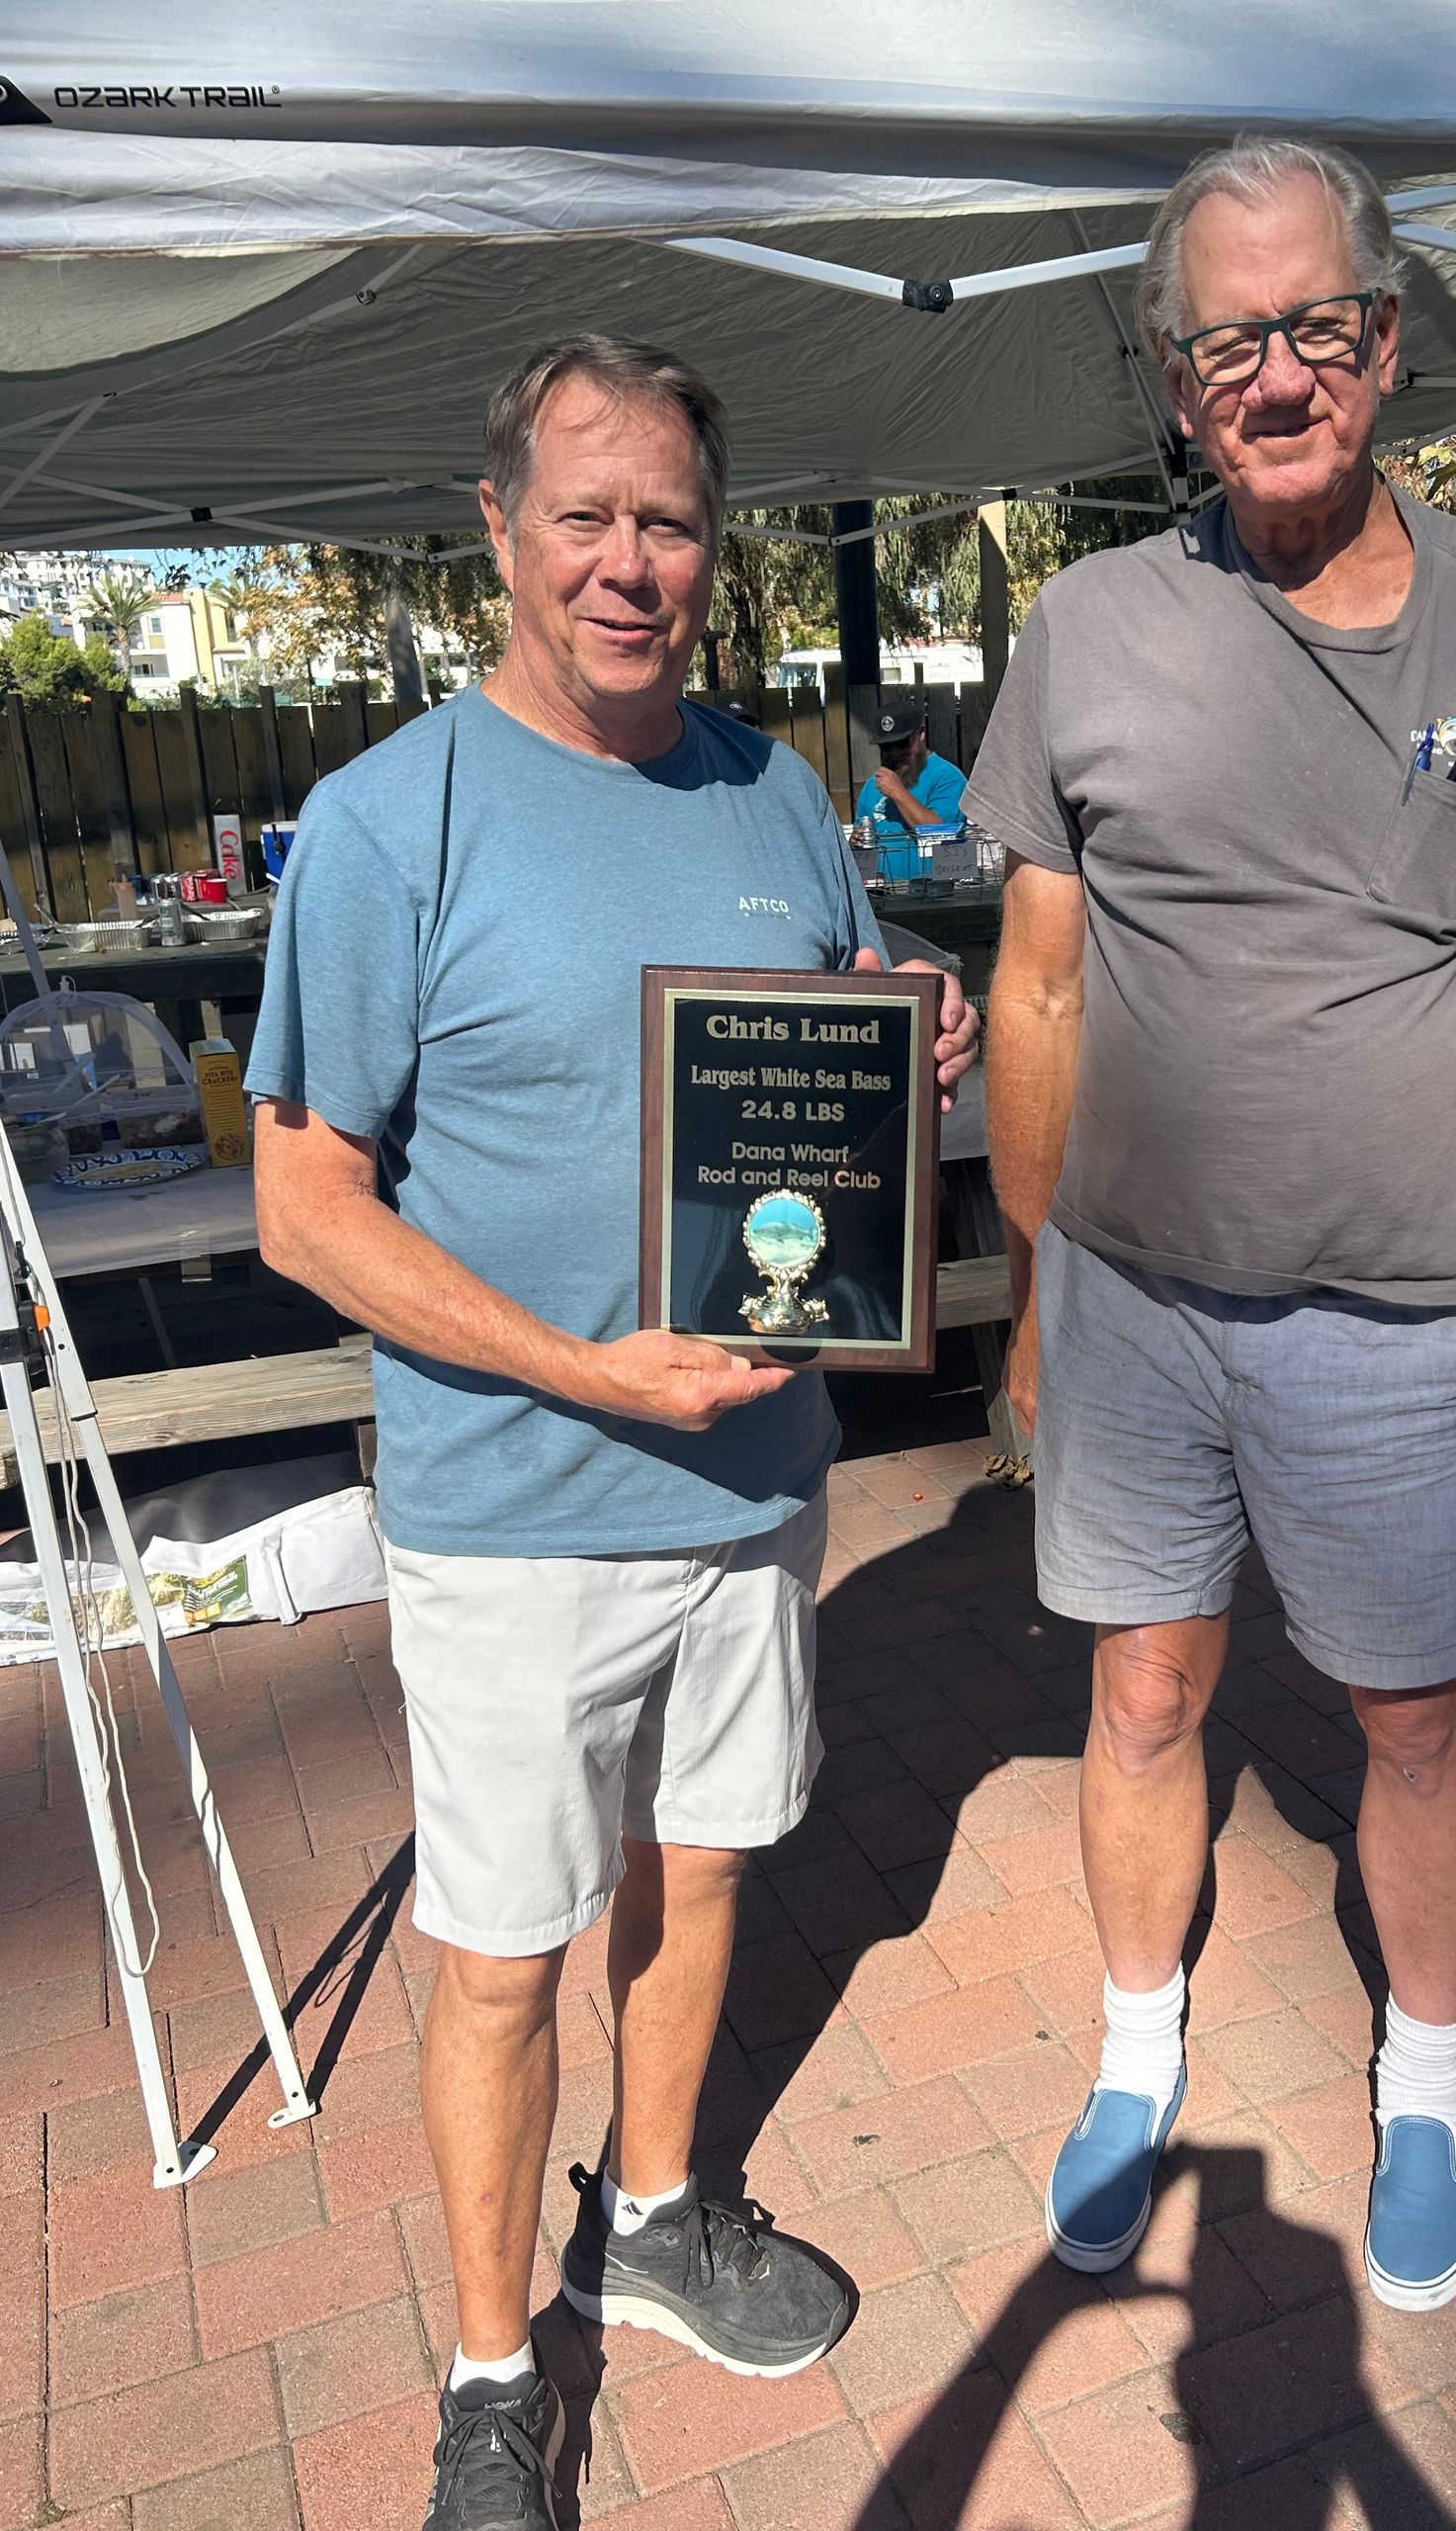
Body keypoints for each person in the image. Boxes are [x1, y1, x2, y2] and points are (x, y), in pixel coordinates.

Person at [247, 334, 978, 2531]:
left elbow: (831, 1068)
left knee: (706, 1859)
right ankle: (491, 2367)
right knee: (501, 1951)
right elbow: (304, 1203)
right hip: (514, 1508)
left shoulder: (772, 790)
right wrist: (586, 1368)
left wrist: (910, 1032)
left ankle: (651, 2215)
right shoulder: (391, 822)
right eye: (586, 515)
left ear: (709, 541)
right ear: (502, 531)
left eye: (669, 517)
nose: (629, 561)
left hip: (753, 1481)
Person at [976, 138, 1456, 2313]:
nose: (1274, 374)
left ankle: (1428, 2074)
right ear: (1172, 375)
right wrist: (1029, 1294)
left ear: (1384, 340)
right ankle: (1131, 2053)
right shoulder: (1091, 622)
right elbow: (1036, 976)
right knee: (1142, 1689)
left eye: (1314, 326)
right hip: (1130, 1304)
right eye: (1225, 340)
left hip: (1403, 1318)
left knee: (1415, 1719)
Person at [852, 691, 969, 864]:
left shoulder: (947, 777)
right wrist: (855, 843)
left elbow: (938, 833)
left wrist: (897, 792)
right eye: (886, 746)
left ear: (921, 733)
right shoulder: (872, 786)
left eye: (901, 743)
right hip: (883, 887)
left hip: (934, 887)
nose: (895, 752)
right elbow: (861, 843)